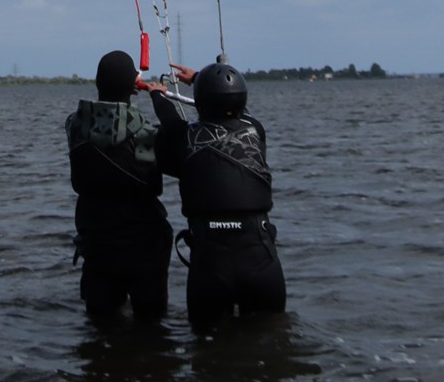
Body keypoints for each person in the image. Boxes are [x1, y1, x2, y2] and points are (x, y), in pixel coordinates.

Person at [147, 58, 286, 327]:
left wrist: (156, 94)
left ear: (200, 103)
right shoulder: (255, 131)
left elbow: (170, 120)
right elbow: (231, 107)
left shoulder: (183, 137)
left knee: (206, 353)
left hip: (210, 265)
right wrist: (201, 78)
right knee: (271, 346)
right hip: (260, 259)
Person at [65, 49, 172, 322]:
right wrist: (155, 93)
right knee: (151, 327)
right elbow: (152, 176)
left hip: (98, 245)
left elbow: (91, 119)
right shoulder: (147, 133)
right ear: (133, 90)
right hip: (143, 246)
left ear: (98, 83)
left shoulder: (76, 127)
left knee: (100, 327)